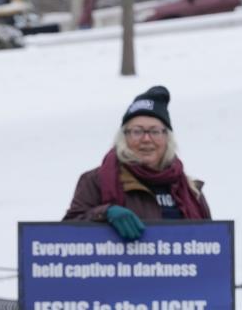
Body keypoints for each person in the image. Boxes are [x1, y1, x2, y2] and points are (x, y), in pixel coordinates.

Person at [63, 85, 211, 236]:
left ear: (167, 138)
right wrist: (104, 213)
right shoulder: (95, 181)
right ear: (124, 137)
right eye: (137, 131)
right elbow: (65, 234)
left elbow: (211, 245)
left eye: (155, 131)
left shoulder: (190, 189)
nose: (146, 139)